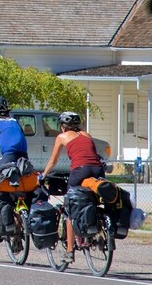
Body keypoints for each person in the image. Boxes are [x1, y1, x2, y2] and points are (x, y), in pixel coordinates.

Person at [41, 111, 105, 262]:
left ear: (63, 126)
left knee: (70, 207)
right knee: (93, 200)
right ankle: (97, 230)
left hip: (80, 170)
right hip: (98, 169)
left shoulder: (62, 137)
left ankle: (70, 251)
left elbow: (53, 161)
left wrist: (43, 175)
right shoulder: (87, 135)